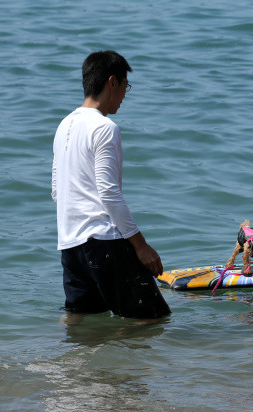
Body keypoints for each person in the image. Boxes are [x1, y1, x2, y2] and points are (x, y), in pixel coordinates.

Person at [51, 50, 171, 319]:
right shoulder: (105, 127)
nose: (125, 94)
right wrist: (141, 246)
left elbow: (57, 191)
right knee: (151, 320)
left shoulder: (64, 125)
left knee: (82, 323)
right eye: (126, 86)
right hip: (103, 242)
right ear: (112, 82)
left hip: (70, 245)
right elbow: (108, 192)